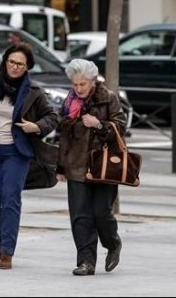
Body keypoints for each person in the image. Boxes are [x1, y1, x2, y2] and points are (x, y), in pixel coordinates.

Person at [0, 42, 58, 269]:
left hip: (17, 152)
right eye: (12, 62)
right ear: (5, 62)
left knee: (11, 198)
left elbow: (52, 117)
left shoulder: (34, 92)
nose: (15, 67)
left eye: (21, 65)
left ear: (27, 68)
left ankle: (7, 251)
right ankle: (0, 235)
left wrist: (35, 127)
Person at [55, 58, 126, 276]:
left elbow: (121, 128)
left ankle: (113, 243)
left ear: (93, 81)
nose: (78, 89)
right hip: (76, 165)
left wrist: (99, 125)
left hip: (103, 167)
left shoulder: (108, 99)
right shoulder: (69, 103)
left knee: (102, 213)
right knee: (80, 216)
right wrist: (60, 167)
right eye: (75, 84)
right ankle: (86, 261)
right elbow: (63, 137)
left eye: (82, 84)